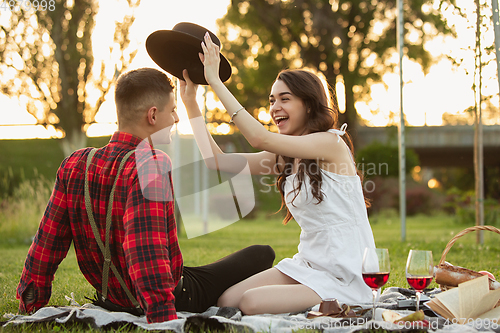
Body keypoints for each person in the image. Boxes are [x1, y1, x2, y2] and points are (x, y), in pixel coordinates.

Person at [16, 67, 275, 323]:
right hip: (169, 296)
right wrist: (163, 317)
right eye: (172, 110)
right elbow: (144, 250)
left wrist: (31, 302)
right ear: (152, 115)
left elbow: (47, 244)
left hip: (110, 296)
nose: (176, 118)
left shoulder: (75, 163)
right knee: (262, 254)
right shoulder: (150, 163)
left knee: (209, 269)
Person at [178, 33, 376, 315]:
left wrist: (216, 82)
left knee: (250, 303)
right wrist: (191, 105)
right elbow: (216, 162)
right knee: (228, 300)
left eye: (285, 99)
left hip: (347, 273)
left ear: (308, 104)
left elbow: (260, 138)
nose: (274, 108)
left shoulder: (330, 143)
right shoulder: (285, 157)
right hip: (309, 264)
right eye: (272, 101)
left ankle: (343, 303)